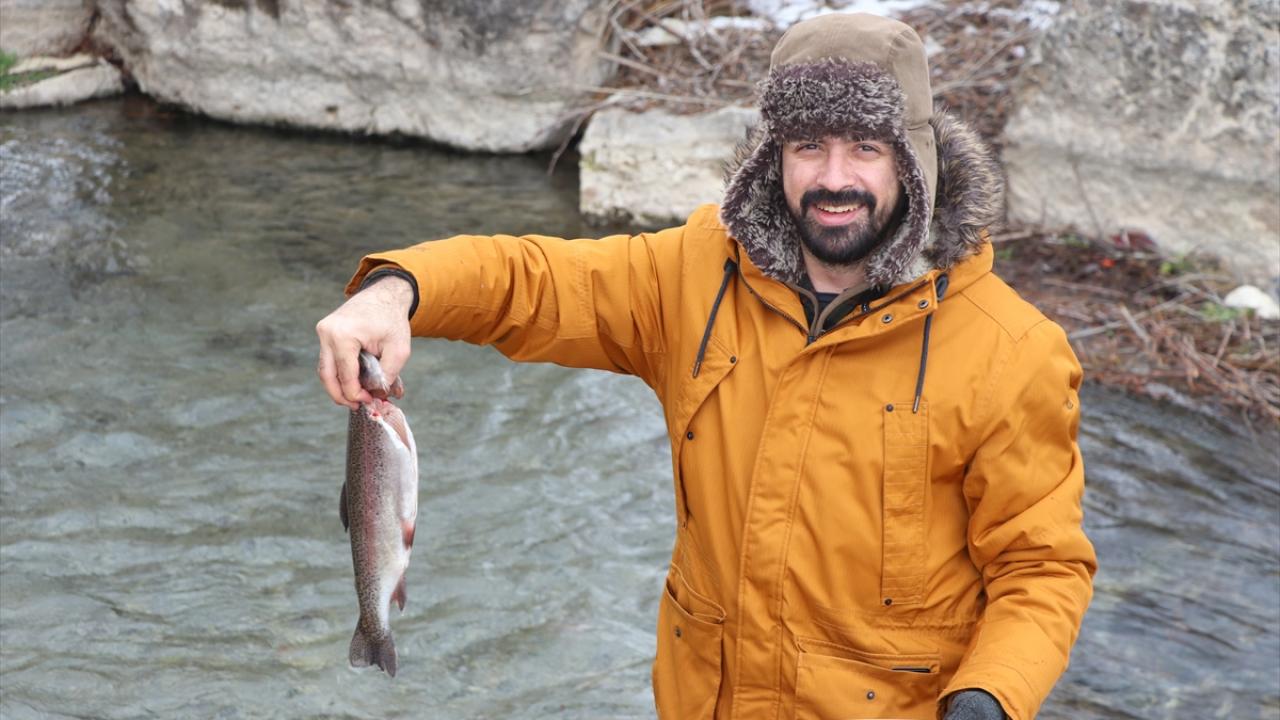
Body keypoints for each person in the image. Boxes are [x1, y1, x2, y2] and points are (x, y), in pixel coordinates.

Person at [315, 12, 1096, 720]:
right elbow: (532, 281)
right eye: (806, 146)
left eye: (865, 146)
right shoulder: (694, 274)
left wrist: (990, 697)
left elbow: (1042, 570)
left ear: (913, 160)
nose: (833, 178)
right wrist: (398, 289)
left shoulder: (1014, 352)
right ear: (773, 157)